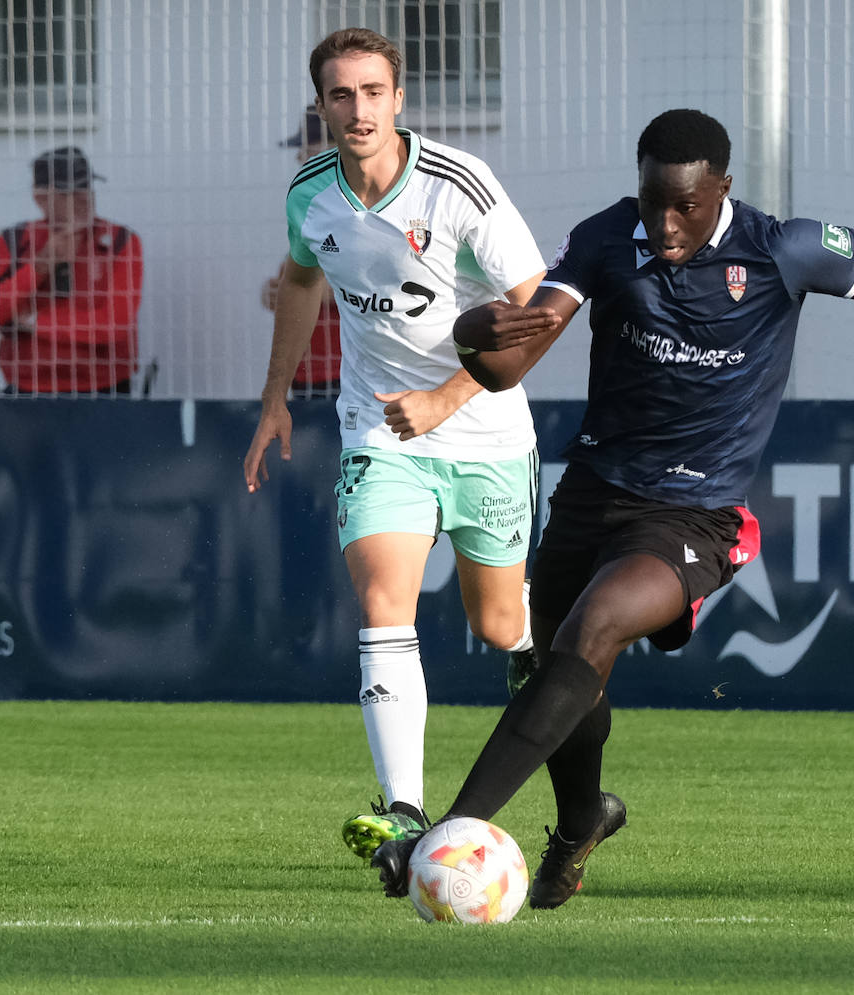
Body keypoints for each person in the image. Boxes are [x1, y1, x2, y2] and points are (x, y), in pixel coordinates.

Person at [371, 108, 854, 910]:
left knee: (594, 627)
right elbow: (508, 362)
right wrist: (470, 333)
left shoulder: (783, 249)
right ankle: (579, 821)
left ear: (722, 190)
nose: (665, 225)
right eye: (652, 202)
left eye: (686, 207)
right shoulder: (605, 237)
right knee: (563, 665)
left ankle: (447, 834)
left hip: (694, 514)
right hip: (593, 493)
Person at [241, 28, 545, 862]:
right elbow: (303, 278)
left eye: (373, 92)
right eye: (341, 95)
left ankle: (526, 655)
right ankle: (404, 811)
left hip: (483, 431)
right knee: (383, 607)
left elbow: (542, 306)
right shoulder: (311, 191)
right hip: (378, 430)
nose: (358, 109)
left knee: (499, 621)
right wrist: (276, 397)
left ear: (399, 99)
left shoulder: (459, 185)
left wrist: (449, 397)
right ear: (321, 106)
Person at [0, 147, 144, 395]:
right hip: (27, 391)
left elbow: (114, 324)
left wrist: (32, 322)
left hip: (104, 390)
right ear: (41, 198)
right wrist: (39, 267)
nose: (84, 198)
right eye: (69, 192)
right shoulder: (15, 242)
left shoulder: (120, 242)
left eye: (87, 187)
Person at [261, 105, 342, 398]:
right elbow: (298, 273)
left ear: (334, 147)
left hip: (347, 370)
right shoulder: (314, 206)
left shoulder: (365, 206)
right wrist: (275, 292)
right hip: (307, 369)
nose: (299, 157)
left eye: (306, 146)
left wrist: (304, 290)